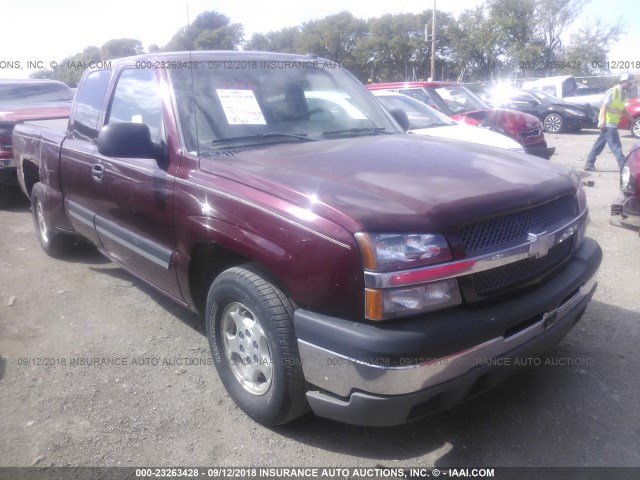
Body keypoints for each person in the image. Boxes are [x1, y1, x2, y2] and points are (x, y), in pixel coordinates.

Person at [583, 73, 634, 172]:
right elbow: (604, 106)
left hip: (612, 124)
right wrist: (602, 121)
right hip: (608, 123)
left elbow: (622, 109)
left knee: (599, 145)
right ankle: (624, 166)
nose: (630, 85)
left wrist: (631, 118)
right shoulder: (613, 91)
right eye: (629, 83)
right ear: (623, 82)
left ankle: (589, 164)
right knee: (616, 145)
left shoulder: (622, 94)